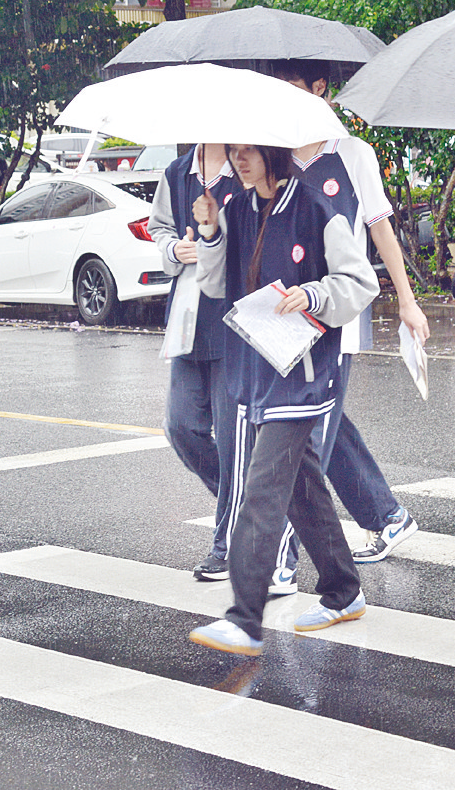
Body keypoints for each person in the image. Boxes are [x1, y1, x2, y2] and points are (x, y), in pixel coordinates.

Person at [187, 143, 379, 656]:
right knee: (301, 489)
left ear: (274, 152)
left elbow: (360, 283)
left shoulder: (316, 207)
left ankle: (245, 616)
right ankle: (343, 590)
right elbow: (212, 283)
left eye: (249, 152)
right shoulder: (237, 210)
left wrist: (313, 295)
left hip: (304, 372)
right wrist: (209, 233)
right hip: (256, 368)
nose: (239, 161)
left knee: (262, 489)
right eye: (234, 152)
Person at [267, 61, 423, 567]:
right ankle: (388, 516)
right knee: (320, 425)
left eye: (294, 90)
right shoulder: (273, 156)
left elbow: (380, 231)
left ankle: (284, 557)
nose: (288, 101)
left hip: (337, 317)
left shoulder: (354, 155)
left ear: (320, 91)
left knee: (305, 438)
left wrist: (407, 300)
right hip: (284, 315)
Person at [148, 143, 240, 581]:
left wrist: (215, 235)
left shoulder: (246, 165)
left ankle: (227, 544)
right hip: (188, 315)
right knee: (181, 425)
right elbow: (159, 229)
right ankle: (247, 504)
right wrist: (174, 250)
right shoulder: (178, 172)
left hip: (233, 317)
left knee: (233, 436)